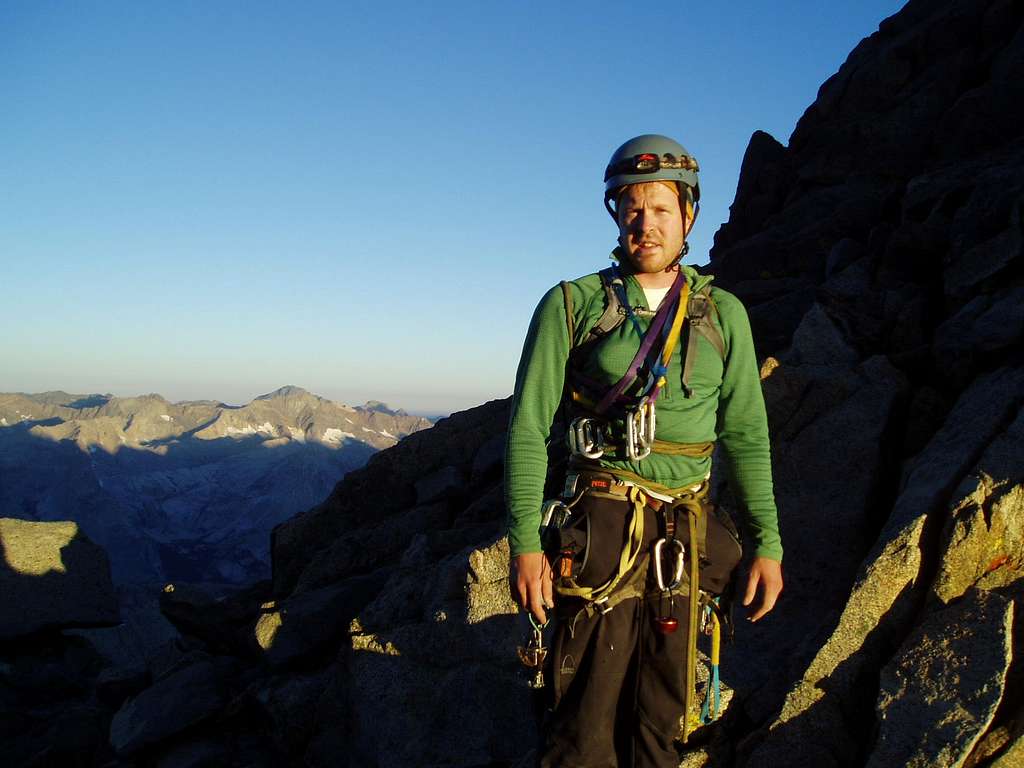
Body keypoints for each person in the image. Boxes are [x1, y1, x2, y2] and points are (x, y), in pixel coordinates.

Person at [504, 134, 784, 767]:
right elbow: (528, 428)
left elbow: (745, 435)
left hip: (687, 530)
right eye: (631, 208)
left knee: (667, 716)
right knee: (585, 723)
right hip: (601, 526)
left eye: (661, 209)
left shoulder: (723, 314)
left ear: (688, 216)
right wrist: (525, 544)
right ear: (615, 215)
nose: (645, 223)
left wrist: (766, 544)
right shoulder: (573, 306)